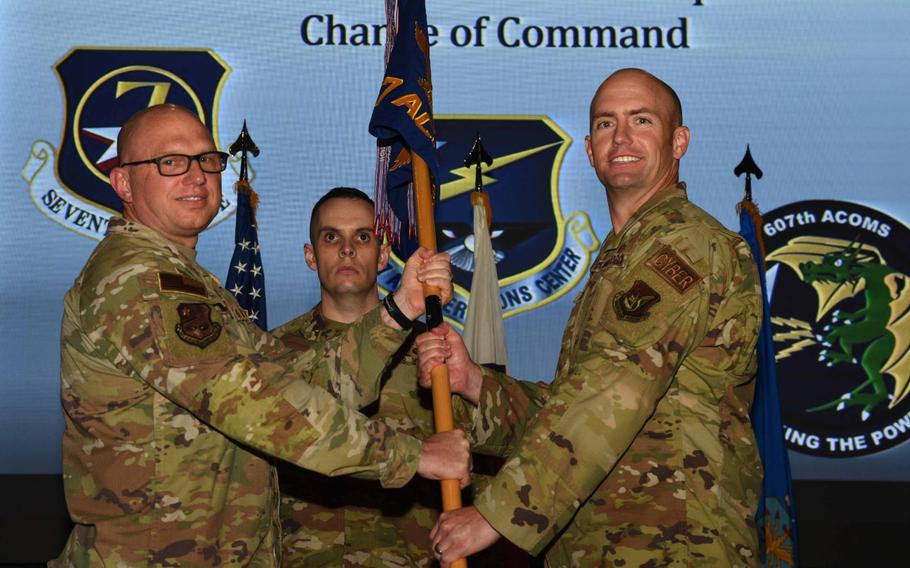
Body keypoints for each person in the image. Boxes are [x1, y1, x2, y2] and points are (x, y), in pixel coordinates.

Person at [52, 104, 468, 567]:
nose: (196, 177)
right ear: (123, 183)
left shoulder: (193, 283)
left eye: (207, 160)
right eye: (170, 162)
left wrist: (400, 308)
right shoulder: (139, 280)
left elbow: (293, 377)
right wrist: (412, 456)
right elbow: (255, 405)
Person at [417, 68, 763, 567]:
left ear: (679, 140)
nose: (621, 137)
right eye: (606, 124)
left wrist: (496, 514)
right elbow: (572, 405)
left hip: (673, 545)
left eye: (641, 120)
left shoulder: (684, 243)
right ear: (588, 147)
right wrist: (476, 383)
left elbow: (611, 391)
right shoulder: (622, 255)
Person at [272, 187, 440, 566]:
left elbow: (469, 463)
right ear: (310, 256)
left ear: (383, 255)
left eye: (363, 237)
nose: (347, 250)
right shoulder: (272, 354)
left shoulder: (432, 352)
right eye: (331, 237)